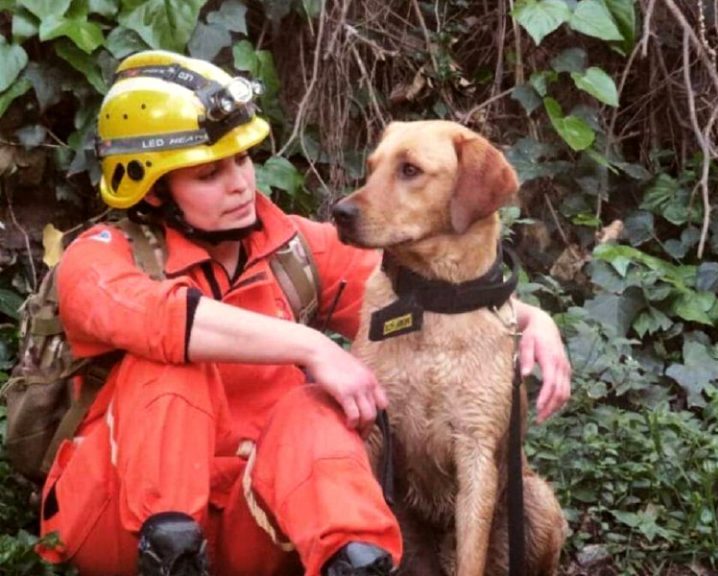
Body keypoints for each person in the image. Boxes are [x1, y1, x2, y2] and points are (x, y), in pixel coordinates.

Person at [37, 50, 571, 576]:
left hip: (261, 520)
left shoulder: (290, 247)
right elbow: (162, 320)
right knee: (169, 366)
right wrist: (312, 346)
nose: (240, 183)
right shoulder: (98, 257)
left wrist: (527, 318)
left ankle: (353, 559)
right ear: (153, 192)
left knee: (313, 408)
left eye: (243, 159)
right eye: (208, 174)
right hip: (120, 526)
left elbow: (417, 297)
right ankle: (172, 553)